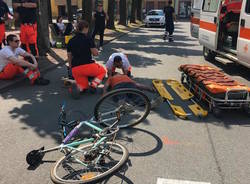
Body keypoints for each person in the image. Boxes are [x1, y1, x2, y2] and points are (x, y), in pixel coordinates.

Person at [67, 20, 106, 96]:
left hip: (76, 68)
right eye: (88, 28)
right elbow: (95, 54)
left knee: (84, 87)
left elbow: (69, 56)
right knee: (102, 71)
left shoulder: (71, 41)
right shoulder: (88, 39)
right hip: (87, 66)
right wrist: (97, 51)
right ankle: (94, 85)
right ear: (85, 28)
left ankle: (80, 88)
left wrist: (71, 67)